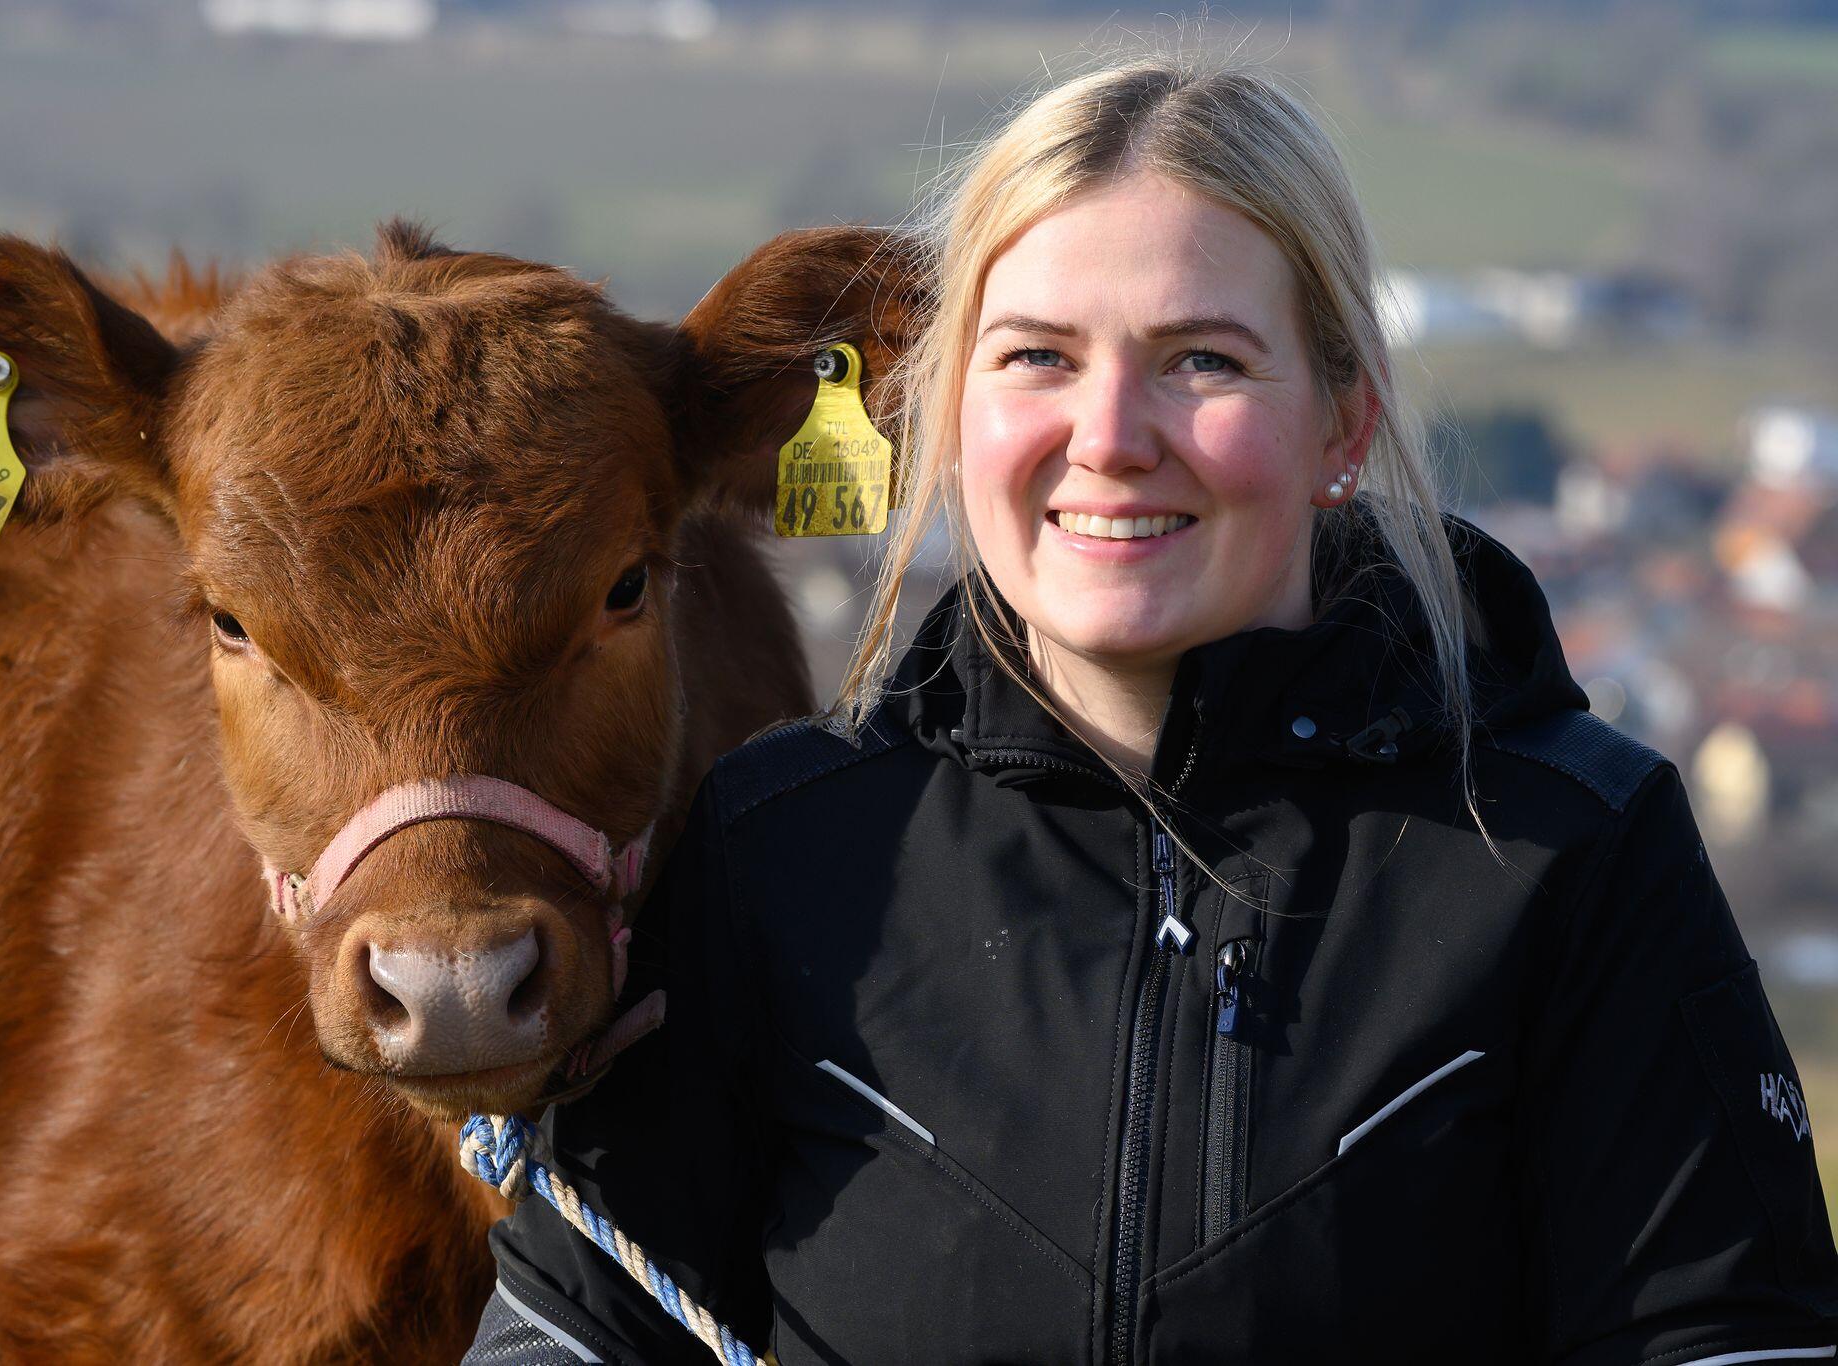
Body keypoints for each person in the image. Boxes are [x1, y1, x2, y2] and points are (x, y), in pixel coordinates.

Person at [465, 56, 1838, 1365]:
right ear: (945, 411)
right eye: (1036, 357)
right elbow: (575, 1327)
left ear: (1344, 421)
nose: (1111, 435)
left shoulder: (1568, 855)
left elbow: (1728, 1334)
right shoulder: (778, 851)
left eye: (1202, 361)